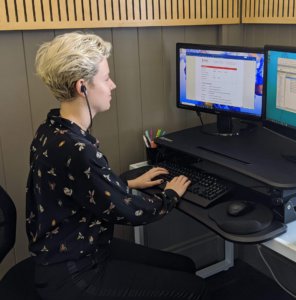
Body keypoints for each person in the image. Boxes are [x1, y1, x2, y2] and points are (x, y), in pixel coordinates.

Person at [25, 32, 210, 300]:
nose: (113, 85)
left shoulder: (51, 129)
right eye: (106, 78)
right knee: (197, 290)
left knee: (184, 266)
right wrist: (169, 195)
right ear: (82, 87)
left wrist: (127, 184)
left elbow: (77, 188)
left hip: (72, 252)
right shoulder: (79, 150)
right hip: (75, 273)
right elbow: (134, 214)